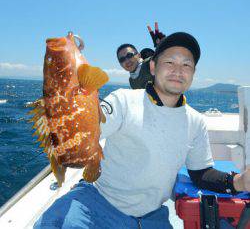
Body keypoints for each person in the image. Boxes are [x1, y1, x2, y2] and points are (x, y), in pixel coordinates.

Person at [34, 32, 250, 229]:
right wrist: (69, 78)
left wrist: (238, 181)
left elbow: (201, 173)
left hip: (151, 216)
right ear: (153, 67)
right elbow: (86, 126)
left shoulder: (196, 121)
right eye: (169, 62)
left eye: (186, 65)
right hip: (97, 201)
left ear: (193, 73)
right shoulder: (122, 100)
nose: (178, 70)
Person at [117, 22, 165, 89]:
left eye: (129, 55)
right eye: (122, 59)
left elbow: (166, 59)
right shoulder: (132, 81)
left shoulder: (149, 64)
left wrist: (163, 45)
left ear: (139, 55)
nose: (127, 60)